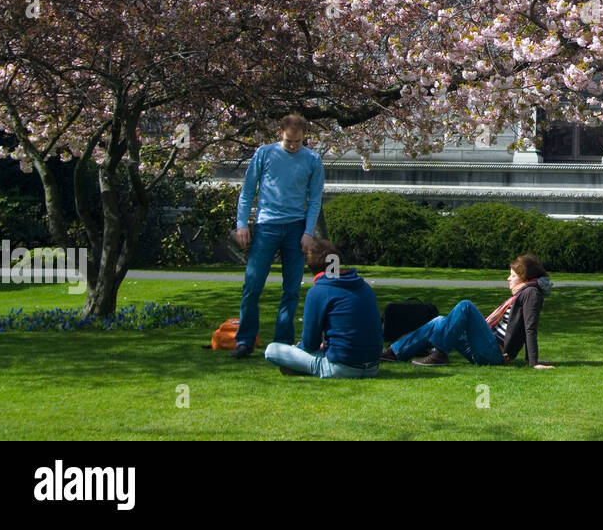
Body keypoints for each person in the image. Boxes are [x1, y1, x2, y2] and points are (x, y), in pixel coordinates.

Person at [232, 113, 325, 359]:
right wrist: (242, 224)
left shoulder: (313, 160)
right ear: (280, 135)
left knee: (292, 289)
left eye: (298, 142)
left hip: (296, 227)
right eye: (288, 142)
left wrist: (308, 232)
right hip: (266, 226)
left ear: (305, 137)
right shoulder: (264, 154)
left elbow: (315, 199)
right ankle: (245, 340)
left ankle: (283, 341)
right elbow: (247, 190)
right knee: (252, 285)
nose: (293, 146)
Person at [381, 254, 554, 369]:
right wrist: (530, 360)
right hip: (486, 348)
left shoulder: (531, 293)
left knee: (466, 306)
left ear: (524, 278)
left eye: (513, 276)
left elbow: (530, 327)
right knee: (439, 320)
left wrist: (534, 362)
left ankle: (439, 354)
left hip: (496, 353)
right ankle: (394, 353)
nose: (508, 279)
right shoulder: (526, 293)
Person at [264, 239, 383, 378]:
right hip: (373, 367)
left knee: (272, 350)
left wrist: (299, 348)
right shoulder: (364, 286)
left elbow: (310, 344)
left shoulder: (319, 291)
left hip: (340, 367)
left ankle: (302, 367)